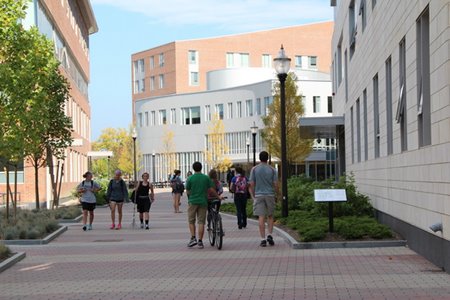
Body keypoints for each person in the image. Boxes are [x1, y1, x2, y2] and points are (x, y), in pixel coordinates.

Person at [186, 162, 222, 249]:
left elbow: (187, 191)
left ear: (193, 168)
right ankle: (200, 241)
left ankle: (193, 238)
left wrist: (190, 198)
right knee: (201, 222)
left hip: (193, 201)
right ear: (201, 168)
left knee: (191, 221)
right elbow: (211, 189)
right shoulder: (206, 178)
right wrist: (218, 197)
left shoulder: (190, 178)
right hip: (203, 201)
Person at [249, 151, 278, 247]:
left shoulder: (254, 169)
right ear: (268, 158)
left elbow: (252, 184)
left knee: (261, 217)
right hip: (270, 194)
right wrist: (276, 194)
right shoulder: (272, 170)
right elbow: (276, 184)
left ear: (259, 158)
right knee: (270, 215)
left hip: (259, 195)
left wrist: (253, 194)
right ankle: (269, 234)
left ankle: (262, 239)